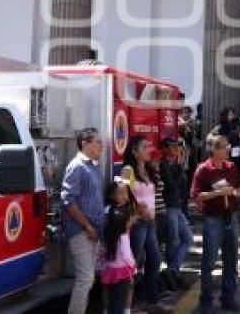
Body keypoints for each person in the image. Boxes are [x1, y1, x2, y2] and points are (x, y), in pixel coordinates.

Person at [191, 133, 240, 313]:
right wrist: (218, 193)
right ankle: (206, 301)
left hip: (231, 217)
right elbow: (197, 196)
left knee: (231, 260)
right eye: (223, 146)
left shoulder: (232, 167)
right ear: (213, 150)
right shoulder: (203, 169)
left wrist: (234, 192)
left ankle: (228, 297)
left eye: (227, 145)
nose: (227, 149)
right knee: (209, 261)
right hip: (213, 219)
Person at [61, 127, 105, 314]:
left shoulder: (92, 166)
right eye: (98, 142)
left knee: (88, 279)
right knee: (85, 278)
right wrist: (87, 226)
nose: (102, 145)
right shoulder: (77, 166)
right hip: (81, 231)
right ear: (85, 144)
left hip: (92, 230)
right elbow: (67, 200)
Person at [122, 136, 163, 309]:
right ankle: (131, 304)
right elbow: (125, 195)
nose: (149, 149)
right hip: (138, 223)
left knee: (154, 259)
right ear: (134, 152)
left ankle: (150, 299)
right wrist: (139, 209)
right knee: (134, 263)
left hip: (150, 223)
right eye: (145, 147)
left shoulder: (148, 169)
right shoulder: (128, 171)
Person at [159, 138, 194, 289]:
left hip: (177, 206)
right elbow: (172, 185)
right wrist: (179, 170)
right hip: (169, 206)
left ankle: (172, 269)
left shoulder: (174, 164)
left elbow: (184, 184)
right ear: (165, 148)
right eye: (173, 146)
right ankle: (173, 273)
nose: (176, 149)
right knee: (173, 241)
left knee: (187, 238)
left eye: (177, 146)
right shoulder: (163, 164)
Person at [100, 179, 137, 314]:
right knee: (129, 284)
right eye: (121, 193)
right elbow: (125, 244)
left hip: (108, 259)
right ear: (112, 196)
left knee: (106, 286)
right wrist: (131, 262)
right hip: (122, 260)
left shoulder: (106, 211)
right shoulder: (124, 215)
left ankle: (105, 310)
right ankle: (126, 311)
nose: (125, 196)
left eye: (126, 192)